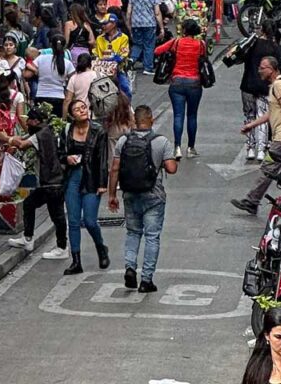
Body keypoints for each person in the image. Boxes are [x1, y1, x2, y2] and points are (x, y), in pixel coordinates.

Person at [107, 105, 177, 292]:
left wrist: (112, 194)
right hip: (154, 195)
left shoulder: (123, 141)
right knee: (152, 237)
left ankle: (130, 268)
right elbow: (171, 169)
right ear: (151, 120)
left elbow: (114, 169)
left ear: (134, 121)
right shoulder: (161, 141)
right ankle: (146, 280)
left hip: (130, 194)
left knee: (133, 233)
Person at [232, 56, 281, 216]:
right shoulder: (276, 85)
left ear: (272, 69)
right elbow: (272, 112)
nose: (259, 71)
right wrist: (252, 125)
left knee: (268, 169)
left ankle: (252, 201)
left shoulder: (280, 85)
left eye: (263, 68)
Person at [1, 107, 70, 259]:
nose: (27, 124)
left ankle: (61, 247)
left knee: (56, 215)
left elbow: (22, 144)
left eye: (29, 121)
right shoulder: (47, 131)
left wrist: (7, 138)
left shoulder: (40, 135)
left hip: (51, 183)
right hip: (54, 181)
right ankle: (29, 238)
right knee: (32, 205)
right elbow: (23, 139)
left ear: (35, 121)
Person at [59, 99, 110, 275]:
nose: (82, 111)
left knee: (89, 221)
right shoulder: (67, 130)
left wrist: (102, 183)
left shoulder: (98, 130)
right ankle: (76, 261)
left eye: (83, 107)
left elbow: (103, 158)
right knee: (73, 221)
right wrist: (67, 158)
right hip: (72, 179)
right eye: (77, 109)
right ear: (72, 115)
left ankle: (101, 247)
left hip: (91, 180)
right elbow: (60, 153)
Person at [156, 18, 206, 159]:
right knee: (192, 115)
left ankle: (177, 147)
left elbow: (157, 51)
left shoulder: (176, 42)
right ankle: (190, 148)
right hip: (194, 83)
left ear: (184, 30)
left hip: (176, 82)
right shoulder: (201, 44)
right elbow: (203, 59)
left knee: (178, 115)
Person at [241, 21, 281, 162]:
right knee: (262, 117)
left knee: (249, 116)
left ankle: (250, 148)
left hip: (248, 84)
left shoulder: (252, 43)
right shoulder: (274, 48)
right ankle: (261, 149)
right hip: (265, 87)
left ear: (262, 30)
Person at [27, 33, 75, 117]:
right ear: (64, 47)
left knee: (41, 123)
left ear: (50, 45)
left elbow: (27, 75)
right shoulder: (68, 63)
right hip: (59, 98)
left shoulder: (41, 58)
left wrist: (35, 70)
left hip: (41, 96)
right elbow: (73, 81)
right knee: (56, 123)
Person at [127, 0, 164, 76]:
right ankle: (148, 67)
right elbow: (157, 13)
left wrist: (129, 24)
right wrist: (161, 27)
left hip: (136, 24)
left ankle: (131, 60)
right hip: (149, 23)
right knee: (149, 45)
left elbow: (129, 11)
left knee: (137, 44)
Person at [94, 13, 131, 100]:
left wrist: (113, 59)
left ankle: (127, 106)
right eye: (102, 24)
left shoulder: (123, 37)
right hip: (102, 71)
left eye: (105, 24)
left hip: (118, 70)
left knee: (125, 88)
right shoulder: (99, 38)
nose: (103, 26)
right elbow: (96, 53)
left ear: (114, 24)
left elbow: (123, 54)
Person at [64, 53, 99, 118]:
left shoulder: (74, 78)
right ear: (90, 63)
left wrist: (64, 118)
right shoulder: (99, 75)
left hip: (80, 114)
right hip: (98, 114)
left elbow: (68, 100)